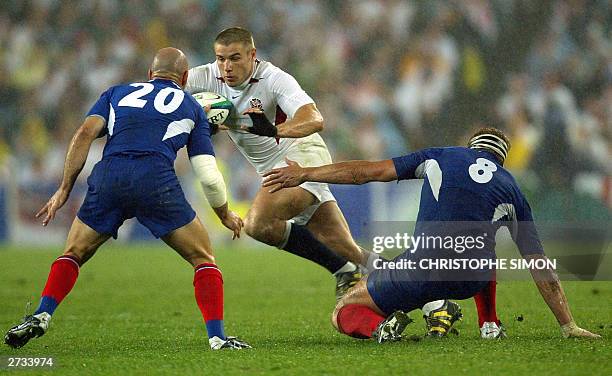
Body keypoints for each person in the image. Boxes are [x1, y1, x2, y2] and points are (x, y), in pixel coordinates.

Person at [4, 48, 251, 351]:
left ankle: (42, 313)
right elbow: (209, 175)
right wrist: (225, 215)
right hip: (155, 181)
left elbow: (83, 134)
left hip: (110, 176)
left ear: (150, 74)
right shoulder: (192, 107)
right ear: (185, 78)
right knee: (203, 259)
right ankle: (217, 338)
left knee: (74, 252)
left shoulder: (115, 93)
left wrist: (64, 188)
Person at [262, 127, 601, 341]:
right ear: (501, 160)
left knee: (344, 310)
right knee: (481, 241)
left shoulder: (441, 156)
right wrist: (567, 324)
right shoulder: (512, 188)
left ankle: (382, 329)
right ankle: (489, 324)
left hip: (422, 269)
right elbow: (541, 267)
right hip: (471, 280)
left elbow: (367, 172)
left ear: (470, 147)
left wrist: (307, 172)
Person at [186, 27, 373, 300]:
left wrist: (275, 130)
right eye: (221, 58)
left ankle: (342, 269)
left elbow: (314, 119)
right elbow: (164, 88)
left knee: (257, 223)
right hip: (271, 169)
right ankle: (431, 299)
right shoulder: (205, 75)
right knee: (346, 247)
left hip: (300, 157)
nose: (226, 66)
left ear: (252, 55)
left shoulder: (273, 79)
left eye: (235, 58)